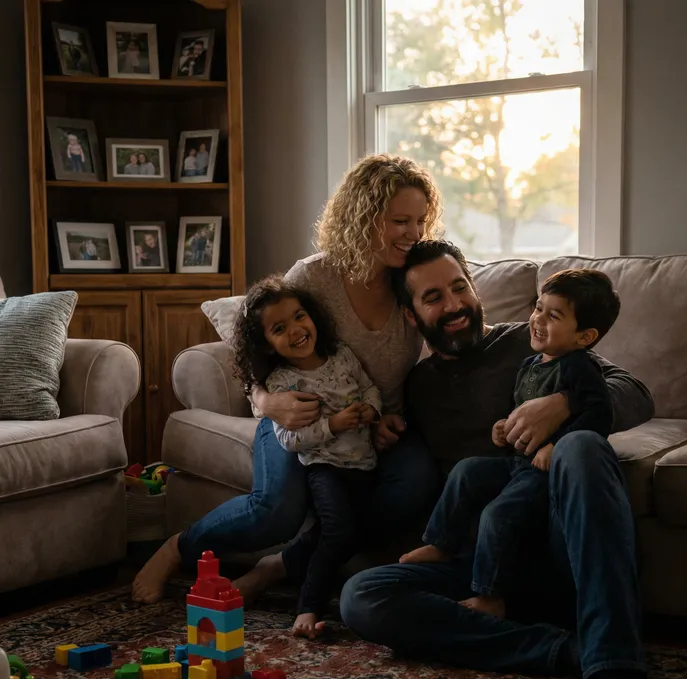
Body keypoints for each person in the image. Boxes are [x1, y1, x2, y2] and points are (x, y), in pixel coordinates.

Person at [339, 239, 653, 679]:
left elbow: (637, 394)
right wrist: (382, 431)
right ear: (412, 314)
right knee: (361, 597)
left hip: (557, 540)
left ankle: (618, 670)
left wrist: (562, 403)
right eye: (433, 297)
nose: (455, 304)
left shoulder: (533, 343)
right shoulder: (417, 384)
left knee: (580, 448)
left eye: (460, 287)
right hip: (480, 561)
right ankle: (568, 652)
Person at [131, 153, 444, 605]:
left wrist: (390, 418)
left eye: (420, 221)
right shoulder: (314, 276)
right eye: (400, 221)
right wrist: (264, 402)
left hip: (373, 428)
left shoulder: (412, 281)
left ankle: (278, 566)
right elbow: (250, 352)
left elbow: (444, 350)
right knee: (275, 512)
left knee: (416, 482)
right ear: (363, 217)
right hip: (292, 421)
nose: (413, 234)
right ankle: (177, 548)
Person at [401, 267, 620, 620]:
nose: (538, 320)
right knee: (467, 471)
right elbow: (520, 408)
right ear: (410, 315)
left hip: (540, 477)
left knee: (498, 513)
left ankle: (492, 599)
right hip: (511, 471)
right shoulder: (529, 363)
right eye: (538, 308)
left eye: (460, 287)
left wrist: (560, 423)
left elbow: (608, 405)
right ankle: (441, 543)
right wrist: (504, 426)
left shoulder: (569, 362)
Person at [237, 276, 382, 639]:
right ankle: (308, 606)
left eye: (300, 317)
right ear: (267, 344)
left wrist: (372, 410)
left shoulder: (342, 355)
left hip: (364, 465)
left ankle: (279, 568)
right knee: (337, 531)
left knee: (349, 532)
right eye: (279, 328)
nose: (296, 330)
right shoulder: (283, 382)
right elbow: (289, 440)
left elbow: (368, 387)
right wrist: (332, 425)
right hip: (324, 469)